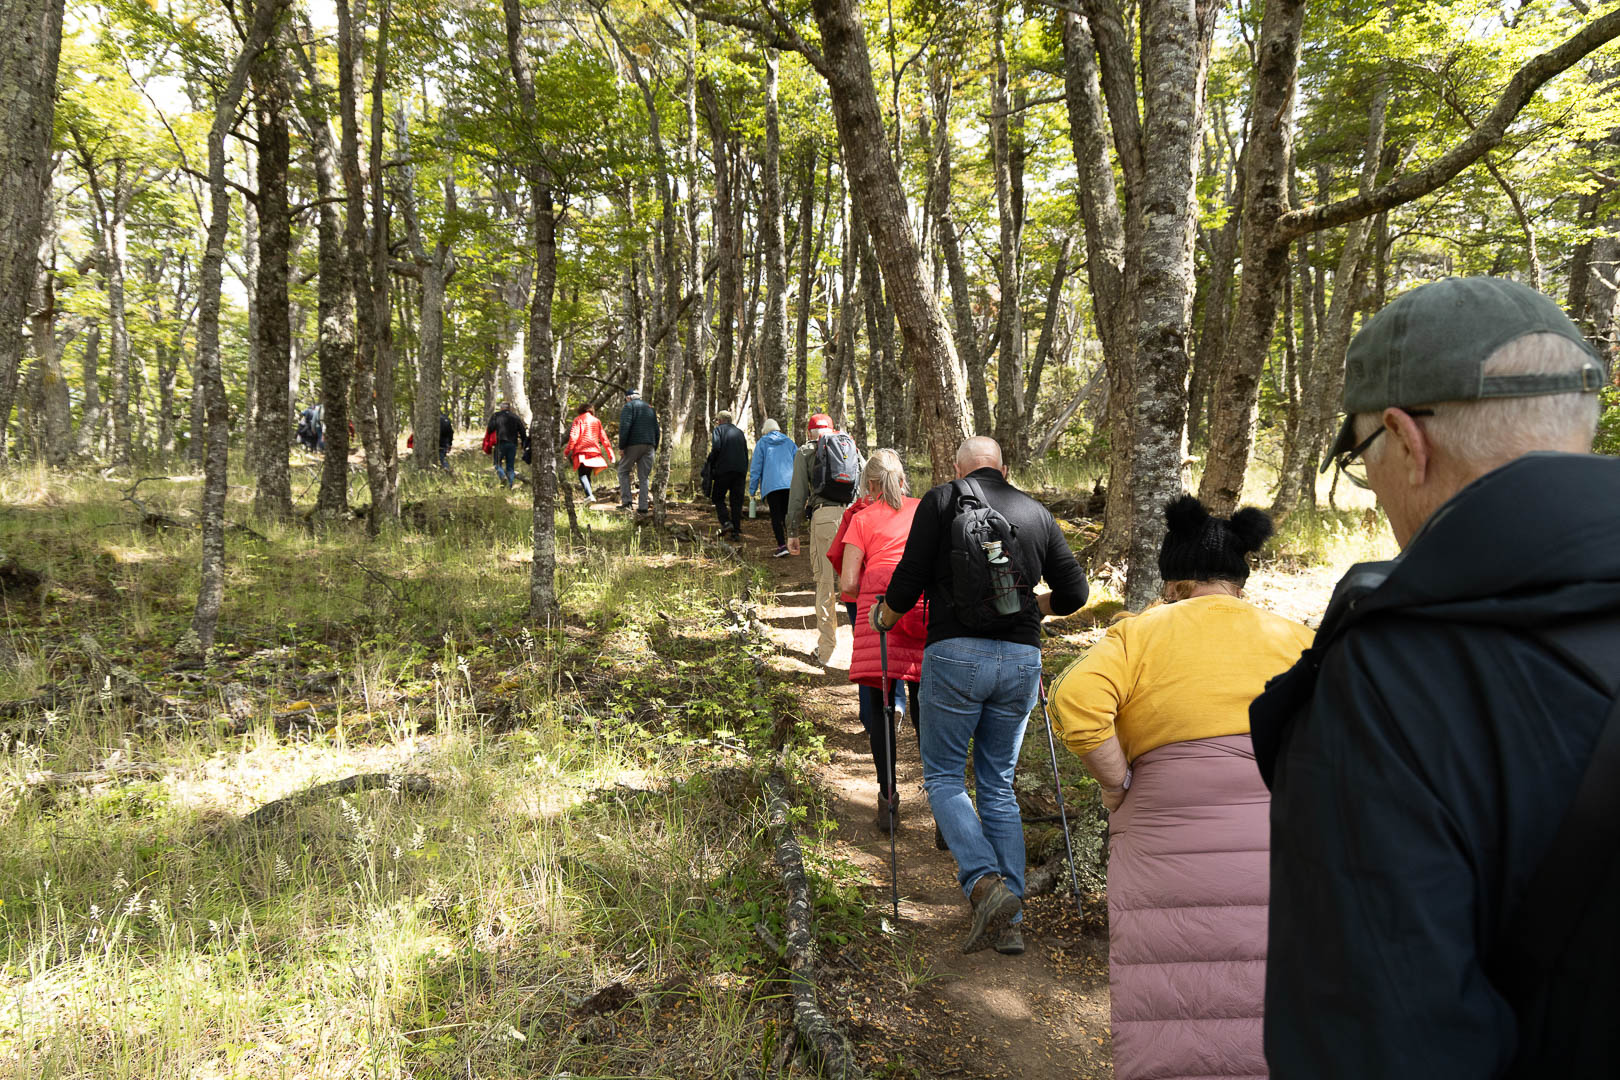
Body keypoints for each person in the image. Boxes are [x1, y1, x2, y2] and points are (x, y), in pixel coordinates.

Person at [1250, 276, 1618, 1078]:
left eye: (1361, 458)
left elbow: (1374, 1044)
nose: (1374, 489)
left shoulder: (1393, 687)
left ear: (1406, 438)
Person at [1049, 496, 1312, 1080]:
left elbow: (1076, 701)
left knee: (1168, 980)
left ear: (1173, 582)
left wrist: (1117, 784)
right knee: (1271, 970)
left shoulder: (1139, 634)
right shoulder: (1293, 635)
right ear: (1239, 581)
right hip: (1282, 819)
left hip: (1164, 822)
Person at [870, 436, 1089, 955]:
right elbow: (1077, 594)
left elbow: (910, 577)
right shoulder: (1036, 512)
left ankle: (984, 883)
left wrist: (885, 616)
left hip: (956, 655)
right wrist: (1036, 604)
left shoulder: (942, 501)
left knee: (945, 777)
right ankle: (1010, 914)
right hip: (1020, 661)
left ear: (957, 467)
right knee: (997, 785)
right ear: (1004, 468)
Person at [838, 451, 925, 830]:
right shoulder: (924, 511)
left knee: (879, 702)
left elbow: (848, 583)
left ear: (869, 485)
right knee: (926, 705)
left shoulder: (861, 519)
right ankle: (942, 800)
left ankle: (888, 797)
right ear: (902, 479)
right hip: (922, 612)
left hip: (878, 614)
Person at [785, 414, 864, 666]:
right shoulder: (850, 447)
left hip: (825, 520)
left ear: (810, 432)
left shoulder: (806, 451)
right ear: (832, 430)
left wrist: (792, 530)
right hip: (855, 518)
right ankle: (863, 650)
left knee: (825, 583)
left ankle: (827, 651)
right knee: (856, 585)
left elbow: (798, 495)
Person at [749, 419, 798, 557]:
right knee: (787, 515)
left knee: (776, 516)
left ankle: (782, 546)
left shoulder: (762, 443)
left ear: (765, 430)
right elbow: (798, 462)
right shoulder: (789, 442)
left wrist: (752, 490)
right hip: (789, 484)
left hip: (772, 486)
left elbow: (756, 468)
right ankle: (792, 543)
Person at [705, 412, 749, 539]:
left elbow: (716, 448)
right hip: (740, 471)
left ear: (721, 420)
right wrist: (744, 470)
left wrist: (710, 463)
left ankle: (726, 522)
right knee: (736, 501)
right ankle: (736, 531)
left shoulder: (718, 430)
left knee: (718, 497)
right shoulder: (739, 432)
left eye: (717, 420)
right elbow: (745, 452)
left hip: (723, 470)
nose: (717, 422)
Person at [616, 389, 659, 514]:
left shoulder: (628, 407)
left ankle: (627, 503)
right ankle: (643, 507)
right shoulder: (650, 408)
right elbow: (657, 430)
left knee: (623, 471)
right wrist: (653, 447)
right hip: (650, 445)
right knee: (644, 477)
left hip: (633, 444)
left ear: (628, 398)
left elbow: (625, 427)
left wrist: (622, 446)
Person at [564, 403, 614, 502]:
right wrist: (610, 453)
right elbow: (604, 438)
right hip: (594, 452)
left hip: (582, 452)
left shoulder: (578, 420)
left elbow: (573, 437)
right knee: (587, 475)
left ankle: (589, 495)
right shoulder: (597, 421)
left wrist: (566, 451)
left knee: (582, 475)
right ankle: (589, 497)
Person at [485, 401, 527, 489]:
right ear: (509, 408)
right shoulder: (515, 417)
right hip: (512, 444)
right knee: (510, 466)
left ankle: (502, 476)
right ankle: (510, 486)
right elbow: (523, 431)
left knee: (497, 464)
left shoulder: (496, 415)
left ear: (501, 408)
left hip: (500, 443)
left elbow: (490, 429)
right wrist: (524, 444)